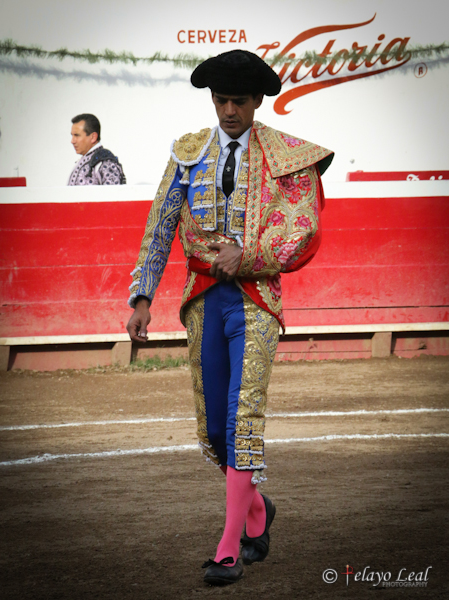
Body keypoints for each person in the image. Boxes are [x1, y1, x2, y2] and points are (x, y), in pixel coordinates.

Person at [126, 49, 334, 586]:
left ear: (258, 101)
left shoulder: (285, 155)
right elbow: (160, 224)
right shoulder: (189, 153)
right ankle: (257, 509)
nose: (228, 111)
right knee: (216, 429)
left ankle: (229, 547)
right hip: (203, 299)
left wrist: (249, 255)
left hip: (256, 299)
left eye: (238, 101)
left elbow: (304, 229)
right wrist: (142, 296)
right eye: (220, 101)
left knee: (243, 419)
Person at [68, 113, 126, 185]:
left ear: (93, 137)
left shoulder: (105, 162)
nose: (72, 141)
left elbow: (113, 191)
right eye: (72, 135)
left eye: (77, 135)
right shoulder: (84, 161)